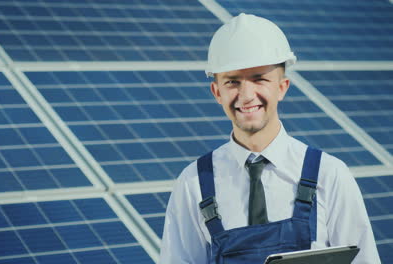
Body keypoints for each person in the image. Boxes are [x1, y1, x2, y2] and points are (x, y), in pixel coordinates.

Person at [159, 13, 380, 264]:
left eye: (259, 79)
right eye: (232, 82)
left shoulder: (329, 176)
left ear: (282, 87)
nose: (246, 95)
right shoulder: (193, 184)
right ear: (216, 91)